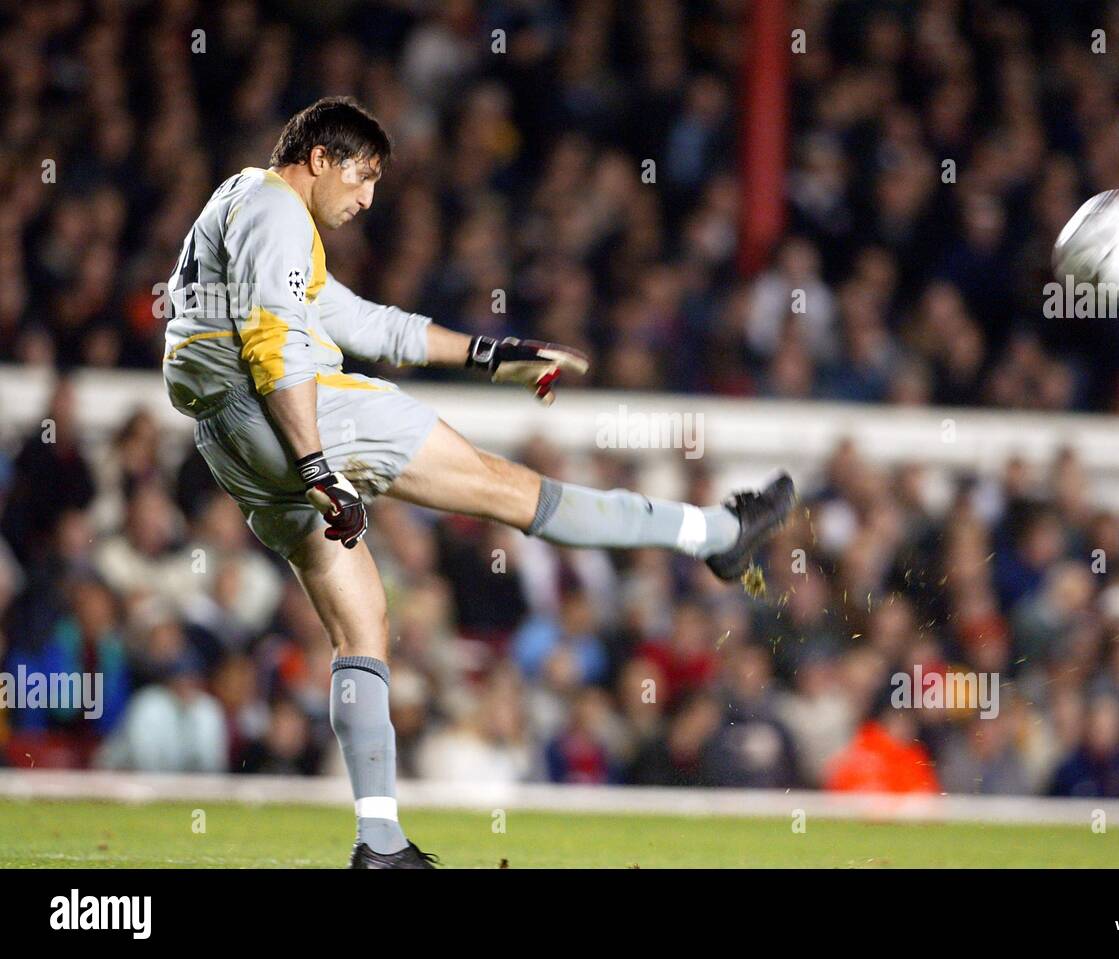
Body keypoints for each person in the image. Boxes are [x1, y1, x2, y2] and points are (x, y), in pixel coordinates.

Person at [161, 97, 795, 868]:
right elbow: (275, 346)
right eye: (361, 178)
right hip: (294, 413)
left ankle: (380, 842)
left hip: (229, 439)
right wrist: (318, 465)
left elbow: (363, 323)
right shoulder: (278, 212)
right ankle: (720, 535)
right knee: (512, 490)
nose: (367, 199)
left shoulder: (237, 203)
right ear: (319, 159)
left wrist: (491, 354)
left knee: (361, 630)